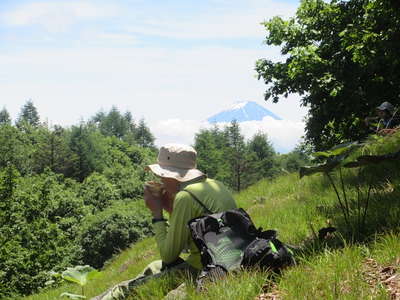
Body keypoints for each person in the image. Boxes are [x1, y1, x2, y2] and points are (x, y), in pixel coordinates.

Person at [92, 144, 237, 300]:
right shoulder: (215, 185)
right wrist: (171, 209)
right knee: (154, 267)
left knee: (129, 291)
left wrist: (157, 213)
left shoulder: (185, 197)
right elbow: (195, 238)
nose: (160, 180)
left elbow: (169, 255)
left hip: (207, 270)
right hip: (230, 262)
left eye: (162, 175)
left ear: (173, 175)